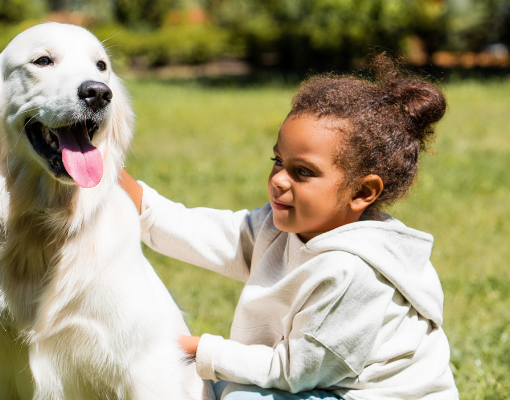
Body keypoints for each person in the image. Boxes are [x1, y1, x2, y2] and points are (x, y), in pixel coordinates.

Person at [119, 55, 459, 400]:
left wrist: (194, 348)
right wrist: (112, 176)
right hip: (321, 384)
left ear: (362, 192)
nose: (279, 180)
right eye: (278, 161)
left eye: (303, 172)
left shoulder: (352, 272)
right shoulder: (276, 228)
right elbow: (191, 230)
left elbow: (295, 370)